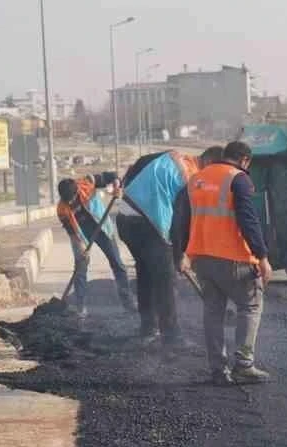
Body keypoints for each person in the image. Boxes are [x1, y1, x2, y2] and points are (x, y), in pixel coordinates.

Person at [174, 140, 271, 386]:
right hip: (234, 259)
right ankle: (243, 365)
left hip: (202, 260)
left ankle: (218, 370)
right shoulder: (238, 179)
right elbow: (249, 220)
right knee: (250, 306)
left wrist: (181, 254)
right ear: (244, 160)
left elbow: (181, 221)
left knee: (213, 313)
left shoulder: (195, 180)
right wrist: (262, 256)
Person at [117, 150, 201, 346]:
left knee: (145, 273)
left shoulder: (170, 156)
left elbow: (135, 167)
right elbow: (180, 220)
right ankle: (172, 337)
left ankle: (148, 328)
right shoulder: (190, 175)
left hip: (125, 218)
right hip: (147, 223)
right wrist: (180, 255)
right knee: (166, 279)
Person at [56, 175, 134, 315]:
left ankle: (128, 303)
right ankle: (81, 308)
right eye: (68, 201)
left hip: (101, 226)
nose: (72, 202)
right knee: (80, 268)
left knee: (117, 263)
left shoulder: (87, 184)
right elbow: (71, 231)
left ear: (77, 191)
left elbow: (111, 176)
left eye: (73, 198)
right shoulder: (62, 208)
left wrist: (116, 186)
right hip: (80, 233)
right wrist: (80, 247)